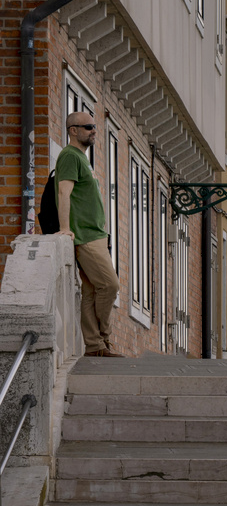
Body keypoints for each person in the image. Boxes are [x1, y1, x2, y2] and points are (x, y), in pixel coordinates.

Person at [56, 113, 124, 357]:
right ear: (73, 130)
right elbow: (64, 193)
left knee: (91, 291)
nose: (94, 130)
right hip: (85, 235)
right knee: (109, 284)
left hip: (95, 233)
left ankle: (95, 347)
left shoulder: (81, 159)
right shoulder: (69, 156)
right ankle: (102, 338)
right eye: (88, 127)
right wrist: (66, 228)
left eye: (94, 127)